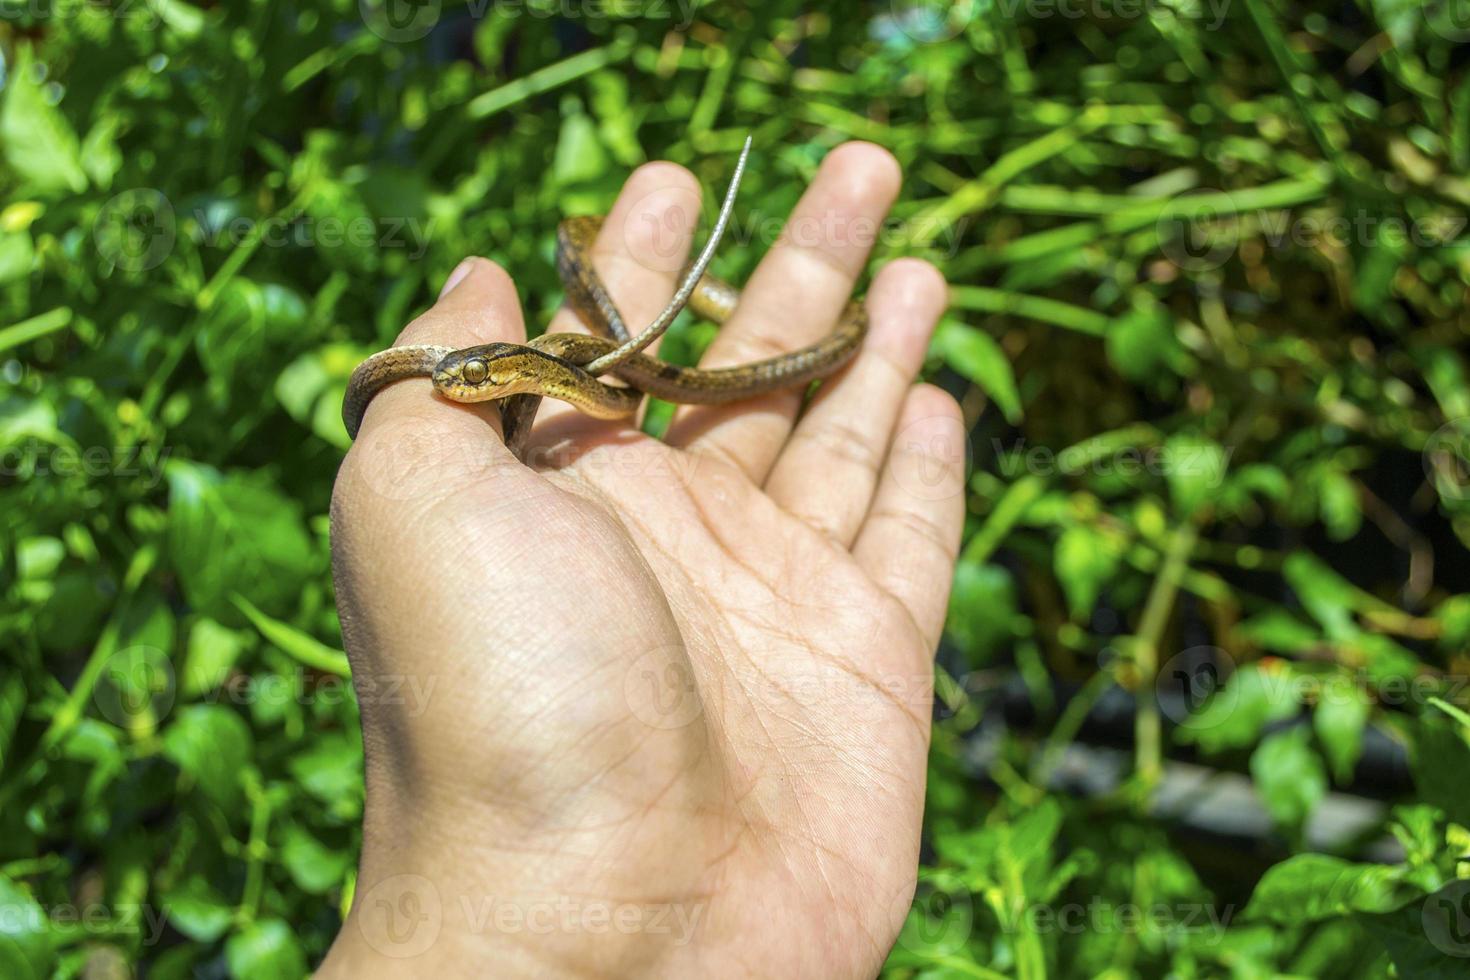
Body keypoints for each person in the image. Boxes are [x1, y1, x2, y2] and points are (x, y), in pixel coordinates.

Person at [320, 142, 966, 978]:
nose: (459, 386)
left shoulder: (541, 367)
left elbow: (615, 396)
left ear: (510, 368)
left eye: (478, 378)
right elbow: (609, 396)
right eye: (471, 378)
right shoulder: (533, 371)